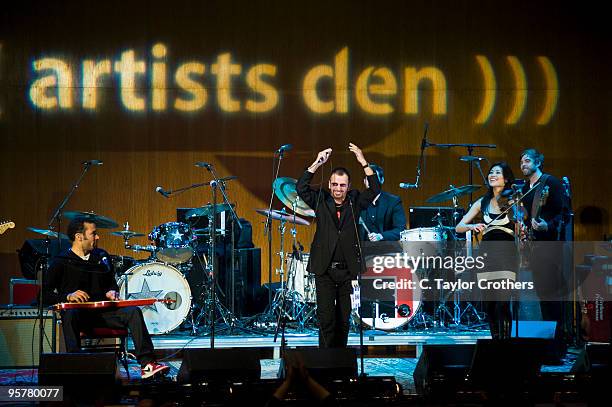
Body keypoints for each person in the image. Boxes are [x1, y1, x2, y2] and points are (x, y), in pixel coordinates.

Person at [45, 218, 169, 379]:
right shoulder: (61, 261)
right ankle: (77, 366)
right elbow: (45, 295)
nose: (97, 238)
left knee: (133, 311)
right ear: (79, 237)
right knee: (70, 314)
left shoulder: (101, 256)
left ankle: (147, 364)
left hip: (103, 314)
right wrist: (68, 296)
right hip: (79, 317)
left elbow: (111, 285)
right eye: (93, 234)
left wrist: (112, 292)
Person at [297, 143, 380, 348]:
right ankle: (325, 364)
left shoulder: (356, 201)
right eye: (334, 184)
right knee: (326, 321)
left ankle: (340, 362)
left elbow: (375, 188)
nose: (338, 189)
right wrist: (317, 163)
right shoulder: (320, 200)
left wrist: (363, 161)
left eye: (342, 185)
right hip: (324, 270)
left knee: (343, 321)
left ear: (348, 187)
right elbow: (301, 188)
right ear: (330, 184)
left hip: (347, 272)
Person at [456, 162, 518, 339]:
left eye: (497, 173)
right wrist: (473, 225)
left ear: (506, 179)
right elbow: (459, 227)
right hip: (486, 255)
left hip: (506, 254)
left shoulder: (513, 199)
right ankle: (495, 341)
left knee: (503, 302)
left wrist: (516, 207)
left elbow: (523, 218)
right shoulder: (481, 202)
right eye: (491, 172)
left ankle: (505, 344)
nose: (492, 175)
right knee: (490, 303)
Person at [519, 148, 567, 341]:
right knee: (542, 294)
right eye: (521, 162)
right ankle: (548, 340)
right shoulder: (525, 188)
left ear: (538, 162)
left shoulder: (551, 183)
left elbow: (564, 213)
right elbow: (526, 215)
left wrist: (548, 225)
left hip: (551, 245)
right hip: (534, 247)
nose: (523, 164)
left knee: (552, 295)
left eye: (528, 161)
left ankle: (558, 342)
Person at [358, 163, 407, 242]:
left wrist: (381, 236)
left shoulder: (393, 201)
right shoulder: (358, 201)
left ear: (382, 180)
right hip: (363, 249)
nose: (371, 181)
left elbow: (401, 230)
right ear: (364, 181)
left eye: (374, 178)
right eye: (369, 178)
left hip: (387, 250)